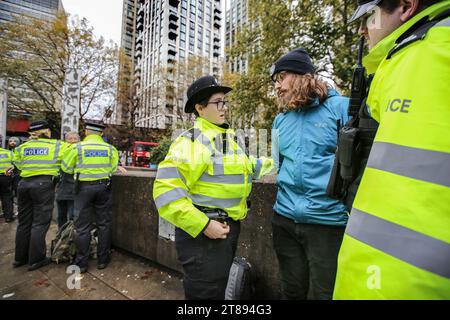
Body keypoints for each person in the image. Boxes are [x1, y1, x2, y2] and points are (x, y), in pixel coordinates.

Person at [333, 0, 450, 299]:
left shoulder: (428, 51)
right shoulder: (400, 59)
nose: (361, 30)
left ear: (406, 6)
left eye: (368, 18)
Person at [153, 75, 273, 300]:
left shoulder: (226, 139)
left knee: (215, 292)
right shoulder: (193, 141)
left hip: (222, 232)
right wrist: (204, 224)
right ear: (199, 108)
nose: (224, 107)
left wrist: (282, 164)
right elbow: (165, 191)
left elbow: (250, 167)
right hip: (204, 236)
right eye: (218, 102)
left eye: (224, 102)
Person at [270, 48, 350, 300]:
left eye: (281, 77)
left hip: (327, 222)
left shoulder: (342, 108)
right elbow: (277, 165)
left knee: (325, 294)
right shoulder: (280, 121)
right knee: (290, 290)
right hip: (284, 220)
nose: (278, 87)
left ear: (302, 76)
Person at [61, 120, 119, 273]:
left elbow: (66, 168)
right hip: (103, 187)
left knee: (82, 227)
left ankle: (81, 263)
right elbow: (113, 168)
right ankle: (103, 260)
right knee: (104, 224)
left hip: (82, 189)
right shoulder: (110, 149)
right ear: (101, 133)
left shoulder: (77, 148)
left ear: (86, 132)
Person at [12, 120, 67, 271]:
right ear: (47, 131)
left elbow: (17, 162)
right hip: (43, 184)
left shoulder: (23, 147)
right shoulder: (57, 145)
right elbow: (69, 159)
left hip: (24, 184)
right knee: (40, 223)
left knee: (24, 223)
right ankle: (36, 259)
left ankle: (19, 258)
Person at [55, 131, 80, 229]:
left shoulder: (80, 152)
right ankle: (61, 233)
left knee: (72, 216)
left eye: (75, 139)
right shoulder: (60, 151)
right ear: (65, 140)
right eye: (70, 138)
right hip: (61, 188)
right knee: (61, 215)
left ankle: (69, 236)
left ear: (79, 140)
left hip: (74, 189)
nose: (73, 141)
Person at [0, 146, 14, 223]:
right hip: (5, 177)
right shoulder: (8, 153)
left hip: (5, 176)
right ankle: (8, 217)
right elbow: (16, 163)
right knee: (6, 196)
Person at [7, 137, 21, 202]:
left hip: (18, 173)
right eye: (10, 141)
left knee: (17, 189)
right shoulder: (7, 151)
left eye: (15, 141)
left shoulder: (21, 150)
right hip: (9, 173)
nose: (12, 142)